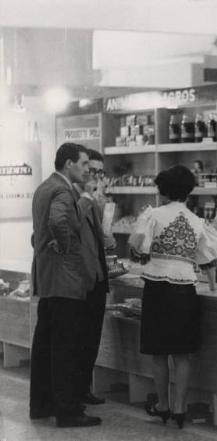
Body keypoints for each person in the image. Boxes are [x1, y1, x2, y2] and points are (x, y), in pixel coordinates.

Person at [128, 165, 217, 429]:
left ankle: (163, 405)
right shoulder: (197, 221)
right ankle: (181, 408)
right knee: (182, 354)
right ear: (188, 190)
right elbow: (209, 258)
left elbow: (138, 247)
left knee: (159, 352)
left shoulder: (153, 215)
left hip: (157, 287)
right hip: (185, 289)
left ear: (163, 189)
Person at [29, 143, 102, 428]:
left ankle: (42, 404)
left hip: (49, 278)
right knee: (66, 347)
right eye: (84, 164)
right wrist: (65, 242)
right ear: (69, 164)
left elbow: (39, 233)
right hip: (65, 280)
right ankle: (68, 410)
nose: (87, 169)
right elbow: (60, 221)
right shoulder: (62, 190)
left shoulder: (44, 187)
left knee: (46, 345)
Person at [73, 148, 115, 406]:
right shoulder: (73, 197)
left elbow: (98, 233)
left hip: (98, 276)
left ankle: (84, 387)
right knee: (79, 338)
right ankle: (75, 391)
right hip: (81, 279)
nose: (96, 176)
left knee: (92, 338)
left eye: (100, 171)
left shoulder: (95, 198)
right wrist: (89, 198)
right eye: (92, 170)